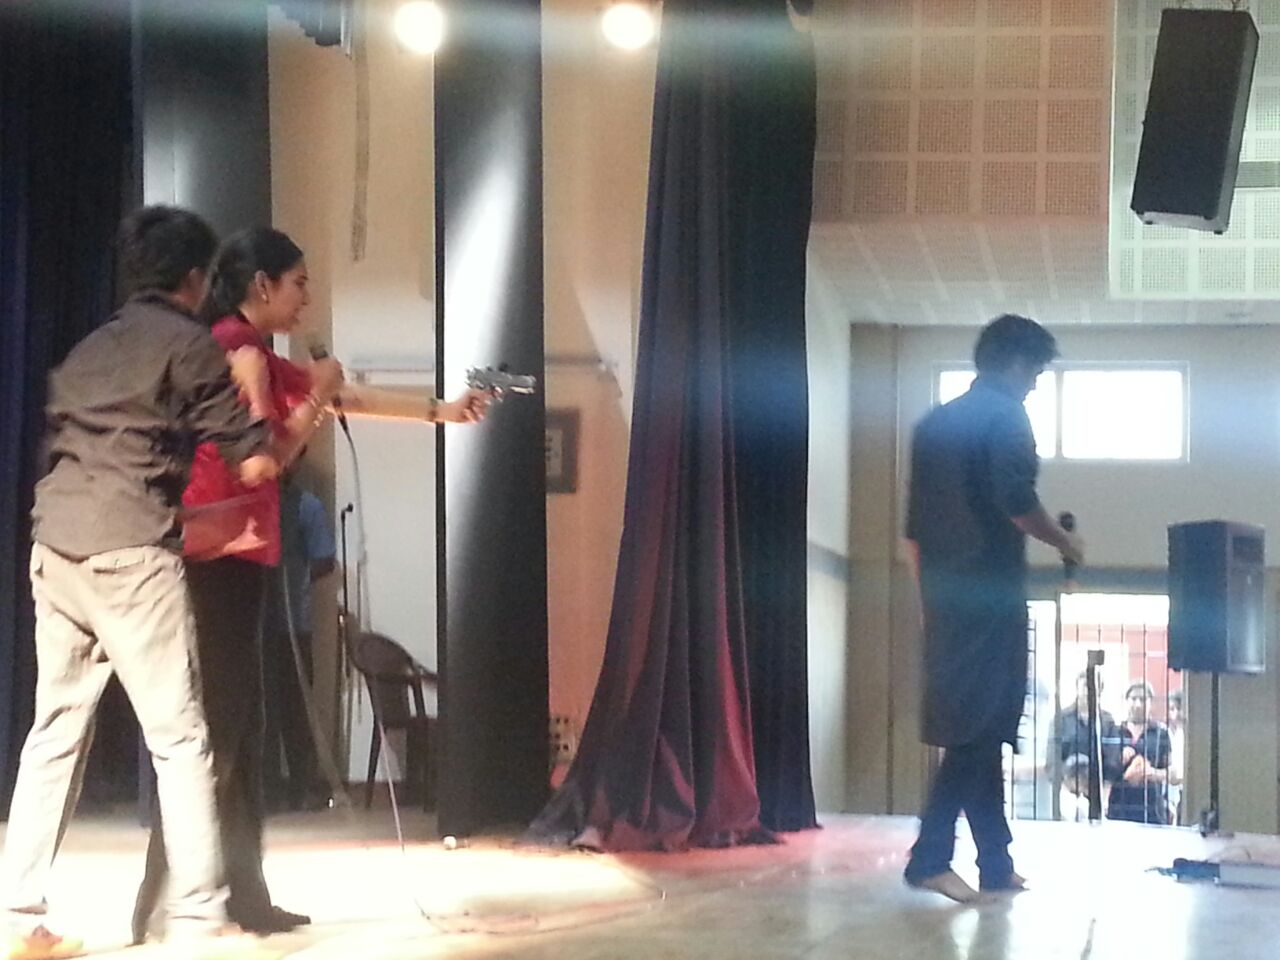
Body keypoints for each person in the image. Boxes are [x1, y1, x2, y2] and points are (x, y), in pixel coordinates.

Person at [133, 227, 490, 941]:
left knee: (239, 733)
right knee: (218, 736)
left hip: (239, 558)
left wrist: (443, 411)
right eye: (298, 282)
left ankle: (242, 894)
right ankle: (161, 894)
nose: (306, 297)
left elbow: (344, 397)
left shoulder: (258, 351)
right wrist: (317, 398)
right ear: (261, 285)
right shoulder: (236, 348)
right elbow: (263, 457)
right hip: (216, 560)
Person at [1, 206, 280, 958]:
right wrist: (287, 406)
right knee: (180, 738)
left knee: (54, 734)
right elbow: (256, 461)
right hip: (129, 555)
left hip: (55, 546)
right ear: (195, 277)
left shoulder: (89, 347)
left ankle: (19, 917)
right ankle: (197, 917)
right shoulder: (189, 344)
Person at [903, 314, 1083, 903]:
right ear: (1015, 362)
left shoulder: (933, 424)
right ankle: (929, 858)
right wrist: (1065, 541)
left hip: (946, 598)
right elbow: (1016, 501)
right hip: (989, 596)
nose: (1034, 383)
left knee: (978, 729)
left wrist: (929, 602)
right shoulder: (1006, 415)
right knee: (979, 731)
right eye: (1036, 371)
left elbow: (913, 535)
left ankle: (996, 862)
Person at [262, 465, 335, 812]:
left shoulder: (307, 506)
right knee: (262, 711)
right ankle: (266, 789)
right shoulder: (252, 504)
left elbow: (324, 560)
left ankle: (301, 787)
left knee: (296, 708)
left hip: (294, 624)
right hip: (256, 626)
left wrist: (295, 574)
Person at [1051, 670, 1122, 817]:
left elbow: (1112, 759)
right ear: (1077, 688)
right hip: (1067, 790)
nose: (1088, 691)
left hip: (1097, 791)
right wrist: (1065, 786)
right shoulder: (1061, 718)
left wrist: (1105, 794)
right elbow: (1052, 757)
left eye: (1094, 687)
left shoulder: (1107, 721)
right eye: (1085, 686)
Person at [1107, 681, 1173, 825]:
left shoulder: (1161, 733)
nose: (1137, 704)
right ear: (1126, 701)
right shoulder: (1114, 731)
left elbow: (1172, 773)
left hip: (1152, 811)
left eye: (1143, 700)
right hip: (1118, 810)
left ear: (1151, 703)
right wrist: (1119, 760)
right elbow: (1105, 772)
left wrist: (1152, 773)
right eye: (1133, 699)